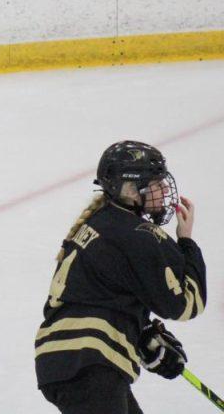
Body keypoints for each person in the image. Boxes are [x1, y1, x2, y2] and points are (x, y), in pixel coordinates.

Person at [36, 141, 206, 414]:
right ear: (130, 189)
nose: (164, 191)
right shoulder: (139, 233)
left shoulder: (98, 224)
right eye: (156, 184)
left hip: (64, 361)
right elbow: (187, 304)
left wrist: (141, 336)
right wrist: (187, 243)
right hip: (93, 364)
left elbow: (95, 298)